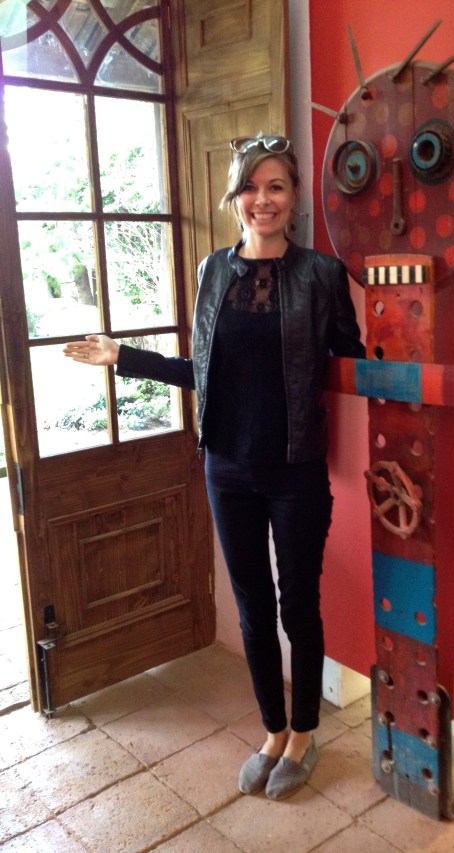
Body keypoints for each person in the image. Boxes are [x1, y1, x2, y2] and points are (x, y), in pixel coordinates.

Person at [63, 132, 365, 800]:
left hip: (295, 471)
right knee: (253, 607)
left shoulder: (322, 274)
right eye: (251, 187)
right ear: (236, 198)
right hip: (227, 467)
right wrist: (124, 357)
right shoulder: (213, 272)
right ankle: (273, 730)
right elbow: (202, 369)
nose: (264, 199)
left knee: (298, 606)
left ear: (294, 196)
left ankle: (305, 733)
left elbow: (350, 363)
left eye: (276, 185)